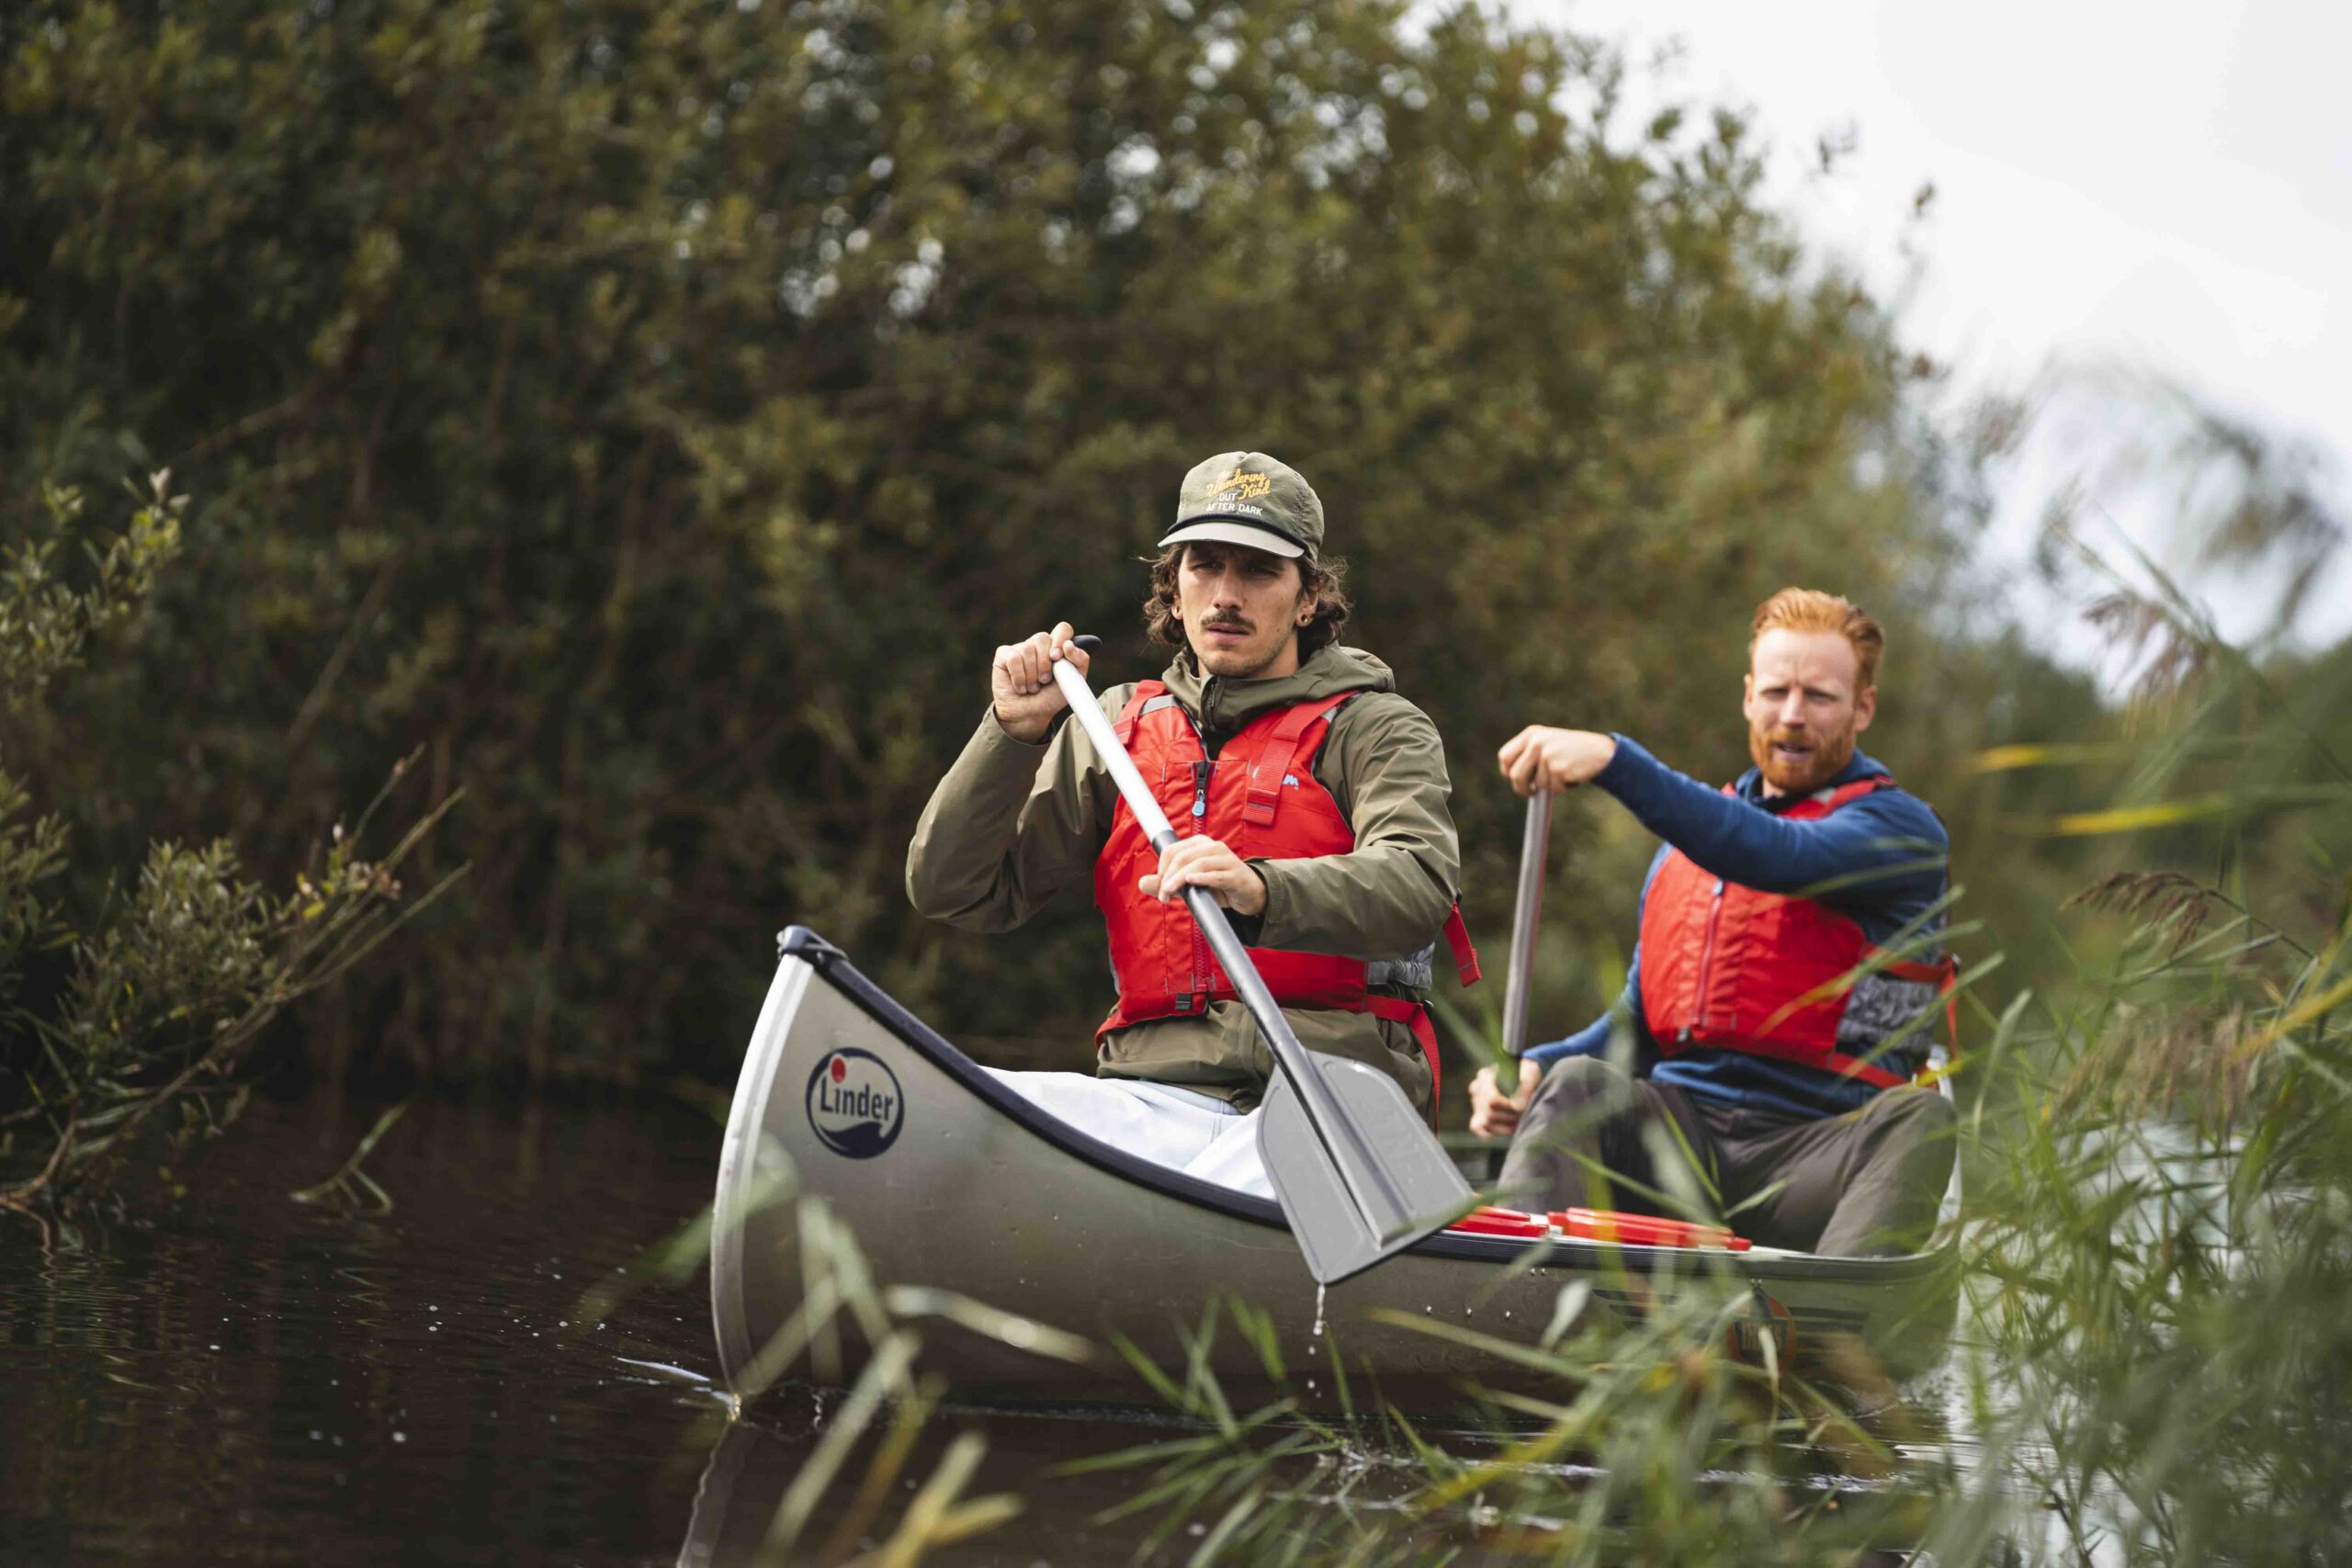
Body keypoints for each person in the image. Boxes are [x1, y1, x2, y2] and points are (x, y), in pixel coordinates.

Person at [907, 451, 1477, 1199]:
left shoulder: (1378, 729)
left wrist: (1262, 889)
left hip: (1334, 1096)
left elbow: (1418, 885)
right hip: (1151, 1095)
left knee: (1227, 1181)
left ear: (1308, 597)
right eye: (1204, 566)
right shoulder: (1112, 725)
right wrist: (1008, 735)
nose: (1226, 596)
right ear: (1172, 591)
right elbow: (955, 889)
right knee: (955, 1118)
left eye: (1259, 572)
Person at [1469, 588, 1956, 1256]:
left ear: (1862, 707)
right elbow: (1635, 1029)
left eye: (1819, 696)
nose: (1792, 715)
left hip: (1812, 1159)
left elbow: (1782, 855)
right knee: (1576, 1084)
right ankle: (1520, 1297)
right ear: (1749, 695)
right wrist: (1531, 1068)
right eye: (1777, 691)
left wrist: (1616, 761)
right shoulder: (1686, 849)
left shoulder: (1900, 830)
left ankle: (1834, 1338)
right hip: (1680, 1153)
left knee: (1923, 1118)